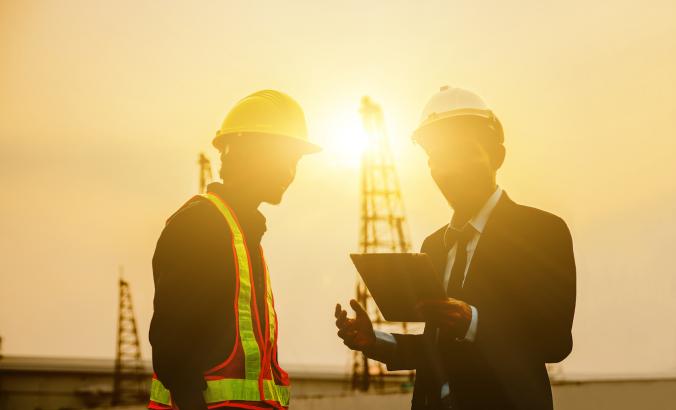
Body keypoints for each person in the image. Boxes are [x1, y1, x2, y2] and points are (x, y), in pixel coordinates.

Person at [335, 86, 576, 410]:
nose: (447, 169)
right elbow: (438, 352)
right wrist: (373, 340)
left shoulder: (541, 232)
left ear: (497, 155)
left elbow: (554, 340)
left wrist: (472, 321)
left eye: (461, 152)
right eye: (436, 158)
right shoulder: (434, 247)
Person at [148, 90, 321, 410]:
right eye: (282, 158)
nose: (289, 172)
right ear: (245, 154)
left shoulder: (243, 235)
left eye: (295, 161)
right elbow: (172, 353)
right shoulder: (200, 227)